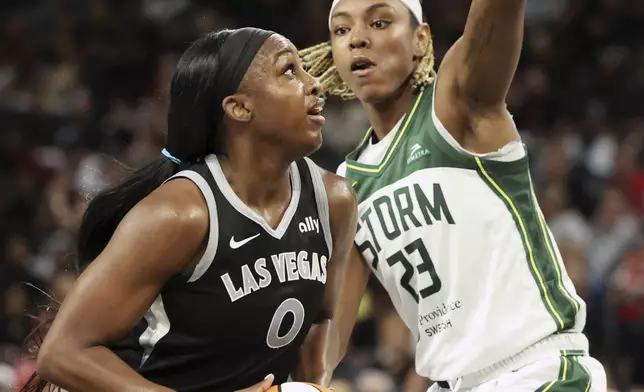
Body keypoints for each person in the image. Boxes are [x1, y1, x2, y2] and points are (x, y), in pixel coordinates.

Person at [22, 27, 357, 392]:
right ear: (240, 107)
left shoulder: (334, 200)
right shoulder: (181, 213)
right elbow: (61, 354)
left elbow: (318, 321)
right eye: (289, 70)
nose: (315, 84)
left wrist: (315, 385)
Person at [299, 0, 608, 390]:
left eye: (379, 22)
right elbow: (331, 332)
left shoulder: (455, 103)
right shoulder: (348, 183)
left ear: (420, 39)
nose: (358, 38)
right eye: (342, 30)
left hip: (534, 370)